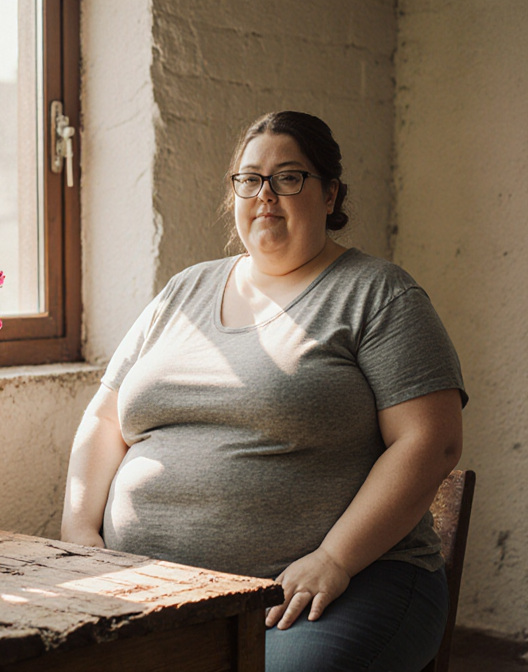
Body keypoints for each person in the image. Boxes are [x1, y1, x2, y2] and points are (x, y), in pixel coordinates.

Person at [60, 111, 466, 671]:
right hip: (154, 586)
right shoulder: (185, 289)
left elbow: (431, 442)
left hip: (332, 587)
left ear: (330, 194)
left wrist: (334, 559)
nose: (265, 194)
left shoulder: (377, 294)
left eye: (289, 177)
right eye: (250, 179)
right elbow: (105, 420)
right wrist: (79, 530)